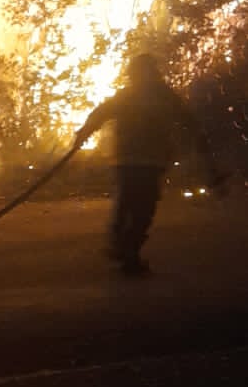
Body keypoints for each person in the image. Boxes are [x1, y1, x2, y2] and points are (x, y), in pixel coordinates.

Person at [73, 52, 223, 276]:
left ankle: (121, 245)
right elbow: (189, 121)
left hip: (130, 160)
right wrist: (205, 155)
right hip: (147, 161)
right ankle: (127, 249)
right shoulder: (161, 96)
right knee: (142, 208)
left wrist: (83, 135)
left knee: (127, 201)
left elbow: (100, 113)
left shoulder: (130, 95)